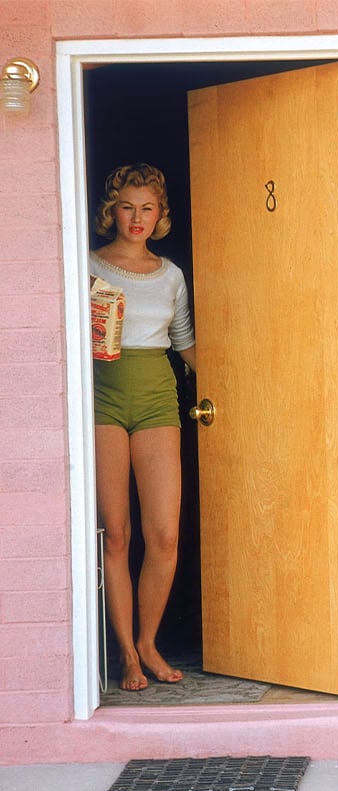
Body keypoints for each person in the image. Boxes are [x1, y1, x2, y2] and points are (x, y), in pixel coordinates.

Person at [90, 163, 196, 691]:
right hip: (102, 397)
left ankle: (150, 643)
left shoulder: (171, 274)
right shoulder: (86, 264)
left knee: (165, 534)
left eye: (147, 208)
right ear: (113, 210)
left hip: (158, 396)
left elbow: (185, 342)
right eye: (128, 207)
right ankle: (128, 654)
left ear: (160, 214)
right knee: (117, 536)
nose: (138, 218)